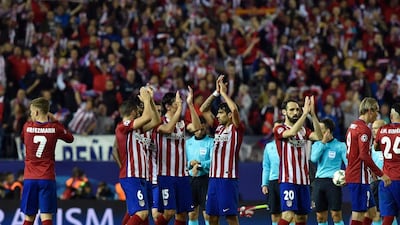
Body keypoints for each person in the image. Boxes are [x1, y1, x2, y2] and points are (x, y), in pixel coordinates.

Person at [20, 97, 74, 225]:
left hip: (30, 178)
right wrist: (56, 121)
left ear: (37, 112)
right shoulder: (55, 128)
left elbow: (24, 140)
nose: (31, 114)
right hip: (47, 178)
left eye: (32, 112)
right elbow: (70, 138)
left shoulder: (27, 127)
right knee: (46, 218)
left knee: (29, 218)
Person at [199, 75, 244, 225]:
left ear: (229, 115)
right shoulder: (217, 128)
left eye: (220, 113)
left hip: (227, 179)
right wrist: (216, 93)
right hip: (213, 179)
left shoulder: (236, 128)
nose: (217, 116)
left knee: (230, 217)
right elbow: (203, 109)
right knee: (211, 216)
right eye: (217, 113)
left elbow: (235, 110)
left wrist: (225, 93)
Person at [153, 86, 201, 225]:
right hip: (166, 174)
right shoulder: (159, 122)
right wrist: (181, 108)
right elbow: (168, 130)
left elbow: (197, 127)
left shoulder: (181, 124)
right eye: (176, 103)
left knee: (182, 214)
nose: (179, 105)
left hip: (182, 175)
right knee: (169, 212)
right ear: (168, 106)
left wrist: (191, 104)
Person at [274, 96, 322, 225]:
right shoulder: (279, 128)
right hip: (288, 179)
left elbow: (319, 136)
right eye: (291, 110)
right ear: (284, 112)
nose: (295, 112)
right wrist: (305, 114)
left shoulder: (303, 131)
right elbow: (291, 133)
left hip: (303, 180)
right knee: (288, 215)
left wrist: (312, 115)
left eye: (297, 110)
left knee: (302, 218)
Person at [345, 97, 391, 225]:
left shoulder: (352, 126)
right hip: (358, 176)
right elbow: (364, 156)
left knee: (372, 212)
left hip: (358, 174)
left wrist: (370, 171)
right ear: (369, 110)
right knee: (358, 214)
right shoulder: (364, 129)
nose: (377, 114)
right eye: (376, 111)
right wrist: (381, 174)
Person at [114, 87, 153, 225]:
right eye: (137, 111)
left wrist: (151, 102)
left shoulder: (134, 128)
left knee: (139, 214)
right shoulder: (123, 126)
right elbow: (147, 117)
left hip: (140, 176)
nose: (138, 113)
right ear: (133, 112)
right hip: (132, 176)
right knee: (141, 213)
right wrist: (146, 100)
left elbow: (154, 121)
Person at [310, 118, 348, 225]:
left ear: (328, 131)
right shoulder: (317, 144)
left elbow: (348, 164)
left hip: (333, 182)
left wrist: (347, 177)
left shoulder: (341, 146)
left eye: (320, 129)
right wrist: (323, 142)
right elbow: (313, 159)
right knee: (320, 217)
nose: (317, 131)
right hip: (318, 182)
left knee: (336, 215)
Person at [374, 103, 400, 225]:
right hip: (399, 178)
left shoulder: (382, 130)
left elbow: (376, 147)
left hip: (386, 180)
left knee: (387, 218)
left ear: (391, 116)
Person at [186, 116, 214, 225]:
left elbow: (213, 161)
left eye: (202, 129)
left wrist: (199, 165)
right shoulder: (188, 143)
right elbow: (184, 162)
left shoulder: (211, 142)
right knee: (192, 213)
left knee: (207, 214)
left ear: (205, 127)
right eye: (197, 129)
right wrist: (190, 164)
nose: (199, 131)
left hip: (205, 180)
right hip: (191, 180)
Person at [261, 120, 284, 225]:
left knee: (288, 213)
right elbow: (266, 166)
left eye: (280, 128)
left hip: (287, 181)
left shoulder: (290, 145)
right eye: (275, 128)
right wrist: (264, 184)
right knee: (274, 214)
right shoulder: (269, 146)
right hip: (273, 182)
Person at [370, 119, 387, 225]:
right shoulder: (370, 148)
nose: (373, 131)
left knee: (389, 214)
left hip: (388, 184)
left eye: (376, 128)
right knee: (376, 215)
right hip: (375, 184)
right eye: (373, 128)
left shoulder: (392, 147)